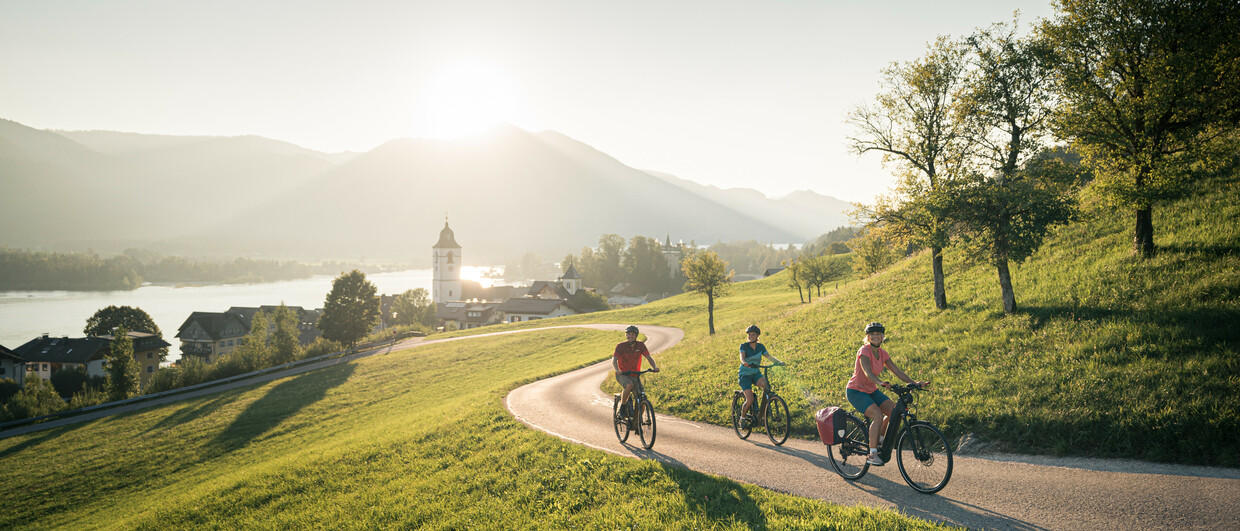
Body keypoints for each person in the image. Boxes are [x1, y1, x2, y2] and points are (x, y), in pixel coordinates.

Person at [846, 322, 929, 466]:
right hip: (856, 391)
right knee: (877, 415)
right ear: (868, 337)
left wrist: (915, 383)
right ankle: (872, 454)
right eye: (872, 334)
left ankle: (879, 438)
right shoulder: (864, 350)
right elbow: (867, 372)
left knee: (893, 412)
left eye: (878, 334)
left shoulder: (883, 354)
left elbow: (897, 371)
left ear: (883, 336)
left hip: (871, 390)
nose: (875, 336)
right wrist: (880, 382)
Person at [738, 325, 784, 428]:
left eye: (753, 335)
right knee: (749, 399)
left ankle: (761, 415)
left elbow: (769, 356)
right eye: (749, 335)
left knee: (766, 387)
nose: (750, 336)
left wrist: (779, 362)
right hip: (745, 375)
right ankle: (742, 418)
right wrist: (744, 362)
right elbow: (742, 356)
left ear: (757, 335)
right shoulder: (744, 346)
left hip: (755, 373)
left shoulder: (760, 347)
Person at [613, 325, 659, 417]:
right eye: (628, 334)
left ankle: (637, 421)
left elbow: (648, 357)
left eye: (632, 334)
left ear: (636, 335)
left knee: (641, 398)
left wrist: (654, 367)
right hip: (622, 374)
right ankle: (622, 407)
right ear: (626, 335)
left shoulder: (640, 345)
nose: (630, 336)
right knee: (629, 385)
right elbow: (614, 360)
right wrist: (617, 370)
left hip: (635, 375)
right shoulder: (620, 346)